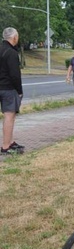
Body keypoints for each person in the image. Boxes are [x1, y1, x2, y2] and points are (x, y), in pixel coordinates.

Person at [0, 27, 24, 155]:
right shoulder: (12, 53)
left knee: (8, 117)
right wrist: (19, 90)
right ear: (14, 37)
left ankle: (10, 141)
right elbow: (15, 74)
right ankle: (5, 146)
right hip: (8, 88)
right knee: (9, 116)